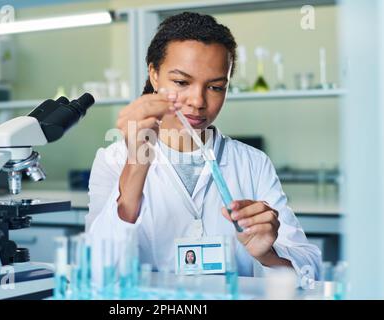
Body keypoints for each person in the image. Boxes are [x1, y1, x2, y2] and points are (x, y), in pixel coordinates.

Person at [87, 12, 321, 279]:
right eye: (181, 82)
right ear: (154, 74)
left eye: (215, 87)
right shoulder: (113, 160)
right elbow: (97, 274)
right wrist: (135, 171)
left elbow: (309, 271)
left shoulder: (253, 164)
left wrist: (268, 255)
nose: (198, 101)